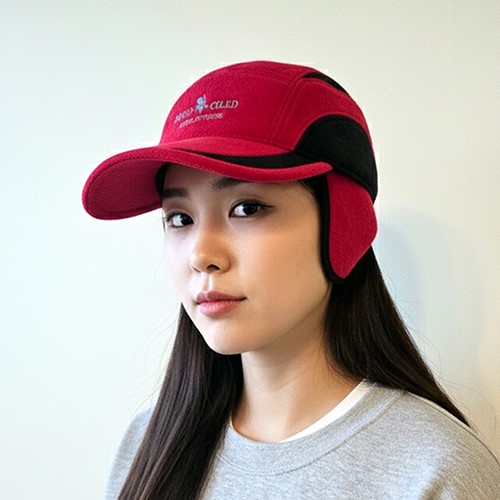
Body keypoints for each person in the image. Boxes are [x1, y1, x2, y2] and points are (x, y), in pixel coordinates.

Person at [82, 61, 500, 499]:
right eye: (180, 218)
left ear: (345, 226)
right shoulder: (147, 446)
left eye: (247, 208)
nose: (201, 256)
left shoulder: (433, 469)